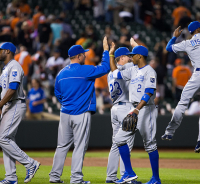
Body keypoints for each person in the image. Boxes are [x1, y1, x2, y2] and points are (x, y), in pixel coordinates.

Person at [49, 37, 111, 184]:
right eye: (84, 54)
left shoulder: (61, 73)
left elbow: (57, 92)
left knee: (61, 146)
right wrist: (106, 51)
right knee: (80, 146)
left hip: (65, 113)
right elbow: (105, 67)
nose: (86, 55)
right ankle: (76, 178)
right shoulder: (85, 70)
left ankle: (54, 177)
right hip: (81, 113)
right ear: (78, 56)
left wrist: (66, 102)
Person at [0, 42, 40, 184]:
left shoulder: (15, 66)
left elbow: (12, 89)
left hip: (15, 104)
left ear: (8, 51)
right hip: (9, 105)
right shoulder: (6, 68)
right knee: (7, 141)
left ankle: (30, 163)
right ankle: (11, 177)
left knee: (2, 138)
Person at [110, 38, 161, 184]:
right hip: (134, 108)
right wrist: (111, 55)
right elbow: (115, 73)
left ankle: (156, 179)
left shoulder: (149, 71)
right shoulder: (133, 70)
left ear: (140, 56)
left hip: (146, 109)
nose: (131, 57)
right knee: (119, 139)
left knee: (150, 144)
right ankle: (129, 173)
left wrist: (137, 109)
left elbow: (149, 92)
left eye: (133, 55)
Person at [161, 22, 200, 153]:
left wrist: (174, 37)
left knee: (183, 103)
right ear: (198, 29)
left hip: (199, 73)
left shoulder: (187, 43)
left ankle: (169, 132)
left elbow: (168, 48)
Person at [106, 47, 137, 183]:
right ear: (121, 58)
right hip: (126, 108)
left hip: (115, 109)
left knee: (116, 144)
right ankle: (127, 176)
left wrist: (111, 54)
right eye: (127, 56)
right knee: (126, 144)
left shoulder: (110, 73)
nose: (130, 58)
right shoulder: (127, 68)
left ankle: (111, 177)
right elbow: (139, 62)